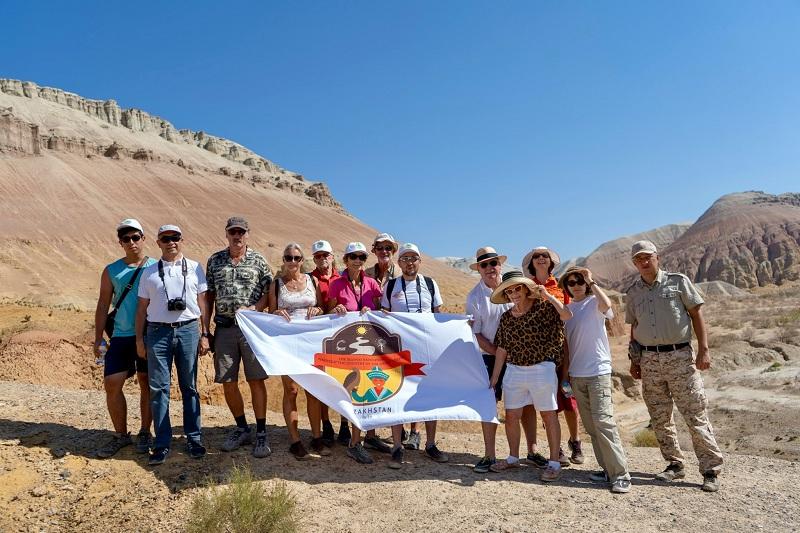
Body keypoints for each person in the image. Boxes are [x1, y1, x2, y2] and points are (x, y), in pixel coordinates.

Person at [626, 240, 723, 492]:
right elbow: (633, 328)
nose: (644, 262)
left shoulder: (678, 282)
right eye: (638, 259)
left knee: (694, 413)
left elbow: (696, 315)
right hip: (648, 360)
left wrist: (704, 349)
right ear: (634, 263)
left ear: (657, 257)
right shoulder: (633, 292)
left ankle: (710, 469)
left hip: (679, 357)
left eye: (647, 257)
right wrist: (634, 360)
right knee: (659, 417)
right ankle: (674, 465)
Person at [135, 224, 210, 466]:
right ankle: (162, 442)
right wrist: (139, 338)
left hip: (188, 330)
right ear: (158, 243)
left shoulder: (196, 268)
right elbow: (141, 309)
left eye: (174, 238)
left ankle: (194, 438)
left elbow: (203, 302)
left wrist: (205, 333)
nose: (170, 242)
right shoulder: (149, 273)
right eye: (165, 239)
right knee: (159, 388)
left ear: (181, 239)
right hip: (157, 333)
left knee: (189, 386)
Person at [488, 271, 572, 482]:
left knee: (548, 415)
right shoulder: (506, 317)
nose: (514, 293)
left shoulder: (544, 308)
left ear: (526, 289)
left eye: (517, 288)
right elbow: (502, 348)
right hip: (514, 370)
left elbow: (566, 315)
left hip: (541, 369)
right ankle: (513, 458)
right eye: (509, 290)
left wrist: (548, 296)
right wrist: (495, 378)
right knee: (512, 416)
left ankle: (554, 463)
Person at [204, 217, 273, 458]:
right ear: (226, 234)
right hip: (223, 329)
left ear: (247, 234)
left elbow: (269, 290)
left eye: (241, 232)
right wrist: (205, 331)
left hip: (251, 330)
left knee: (256, 379)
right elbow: (209, 297)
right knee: (228, 381)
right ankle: (242, 427)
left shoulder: (259, 261)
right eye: (233, 232)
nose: (237, 236)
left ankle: (262, 431)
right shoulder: (215, 261)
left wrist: (257, 309)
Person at [559, 266, 631, 493]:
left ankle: (621, 475)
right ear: (566, 287)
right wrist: (566, 376)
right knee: (591, 426)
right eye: (572, 282)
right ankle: (607, 470)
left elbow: (608, 306)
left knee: (604, 422)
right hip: (577, 375)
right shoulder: (567, 310)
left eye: (580, 281)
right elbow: (567, 347)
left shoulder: (594, 303)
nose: (577, 285)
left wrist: (592, 281)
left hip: (598, 371)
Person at [380, 243, 448, 469]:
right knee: (397, 394)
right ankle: (397, 447)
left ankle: (430, 444)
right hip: (399, 351)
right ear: (399, 263)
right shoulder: (390, 286)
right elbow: (384, 316)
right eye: (405, 258)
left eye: (414, 258)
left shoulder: (430, 284)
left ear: (420, 261)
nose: (410, 262)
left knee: (431, 395)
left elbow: (439, 315)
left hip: (428, 349)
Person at [93, 218, 156, 458]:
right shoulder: (111, 270)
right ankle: (121, 435)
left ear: (143, 238)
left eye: (135, 237)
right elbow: (102, 304)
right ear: (120, 242)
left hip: (149, 335)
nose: (132, 242)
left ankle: (144, 432)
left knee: (146, 381)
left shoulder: (156, 266)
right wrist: (98, 338)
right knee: (112, 383)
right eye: (126, 238)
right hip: (120, 335)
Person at [328, 242, 392, 463]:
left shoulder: (372, 284)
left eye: (362, 257)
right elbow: (326, 314)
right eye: (353, 256)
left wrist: (371, 310)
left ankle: (369, 436)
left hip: (370, 347)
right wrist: (335, 310)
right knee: (355, 389)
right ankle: (354, 443)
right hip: (346, 348)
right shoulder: (336, 284)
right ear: (345, 260)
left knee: (370, 389)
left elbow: (383, 311)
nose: (357, 260)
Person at [522, 246, 583, 466]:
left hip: (559, 346)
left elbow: (568, 314)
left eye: (544, 256)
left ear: (550, 262)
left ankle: (575, 442)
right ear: (532, 263)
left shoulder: (560, 286)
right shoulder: (526, 286)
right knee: (548, 401)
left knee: (568, 398)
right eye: (536, 257)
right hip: (536, 352)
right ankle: (555, 448)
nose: (540, 259)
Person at [268, 242, 328, 459]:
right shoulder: (276, 284)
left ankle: (317, 438)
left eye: (296, 258)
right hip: (288, 343)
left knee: (313, 390)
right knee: (291, 391)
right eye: (288, 257)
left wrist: (317, 308)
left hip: (311, 343)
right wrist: (277, 313)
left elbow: (322, 307)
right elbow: (272, 310)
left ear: (302, 261)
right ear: (283, 261)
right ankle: (295, 441)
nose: (292, 261)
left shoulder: (312, 281)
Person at [309, 239, 349, 447]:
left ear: (332, 256)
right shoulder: (309, 280)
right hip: (320, 338)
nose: (322, 258)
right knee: (323, 382)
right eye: (318, 256)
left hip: (342, 337)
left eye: (325, 255)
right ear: (314, 259)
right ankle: (326, 424)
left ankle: (344, 424)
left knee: (344, 382)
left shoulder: (343, 277)